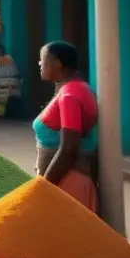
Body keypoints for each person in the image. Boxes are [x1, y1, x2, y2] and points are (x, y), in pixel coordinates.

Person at [35, 41, 99, 212]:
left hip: (67, 183)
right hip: (68, 180)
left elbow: (69, 149)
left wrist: (43, 188)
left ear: (57, 63)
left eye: (43, 60)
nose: (40, 64)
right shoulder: (75, 88)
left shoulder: (70, 94)